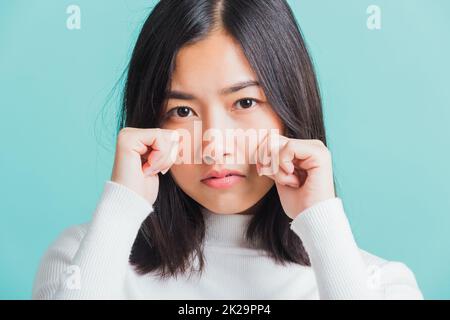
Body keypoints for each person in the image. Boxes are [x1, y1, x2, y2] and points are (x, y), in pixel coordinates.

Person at [32, 0, 423, 299]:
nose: (215, 147)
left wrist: (321, 222)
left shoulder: (378, 283)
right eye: (182, 110)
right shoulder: (81, 262)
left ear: (290, 108)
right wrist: (121, 209)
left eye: (245, 103)